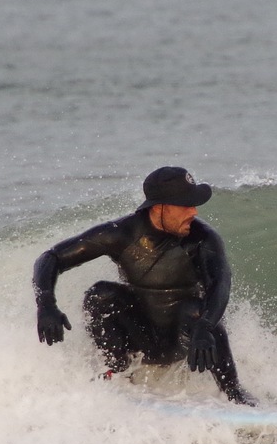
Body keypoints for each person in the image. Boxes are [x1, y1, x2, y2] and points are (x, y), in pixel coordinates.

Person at [32, 166, 255, 405]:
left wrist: (206, 325)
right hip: (141, 336)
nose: (193, 211)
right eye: (185, 205)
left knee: (196, 310)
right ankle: (117, 374)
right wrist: (46, 304)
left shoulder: (203, 238)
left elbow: (221, 283)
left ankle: (234, 394)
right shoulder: (122, 233)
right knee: (100, 295)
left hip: (187, 337)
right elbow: (51, 258)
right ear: (160, 207)